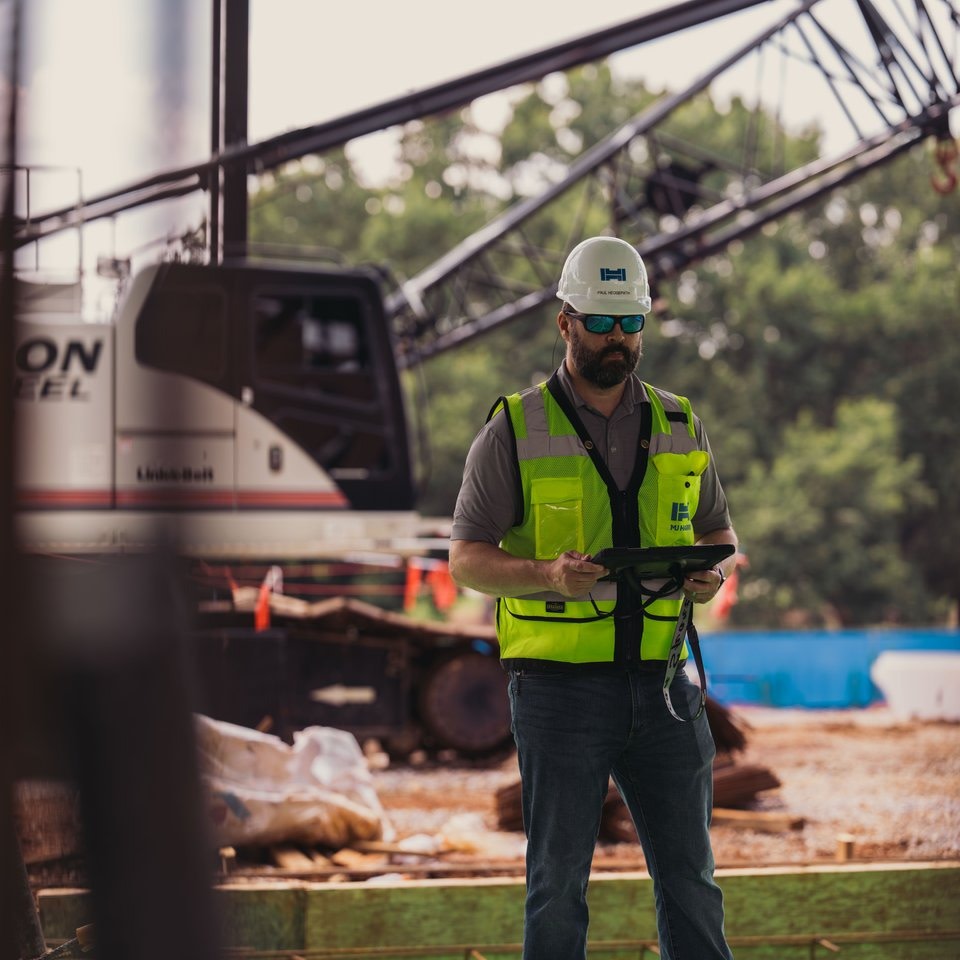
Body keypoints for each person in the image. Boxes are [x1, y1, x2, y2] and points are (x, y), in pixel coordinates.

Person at [448, 235, 738, 960]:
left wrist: (713, 573)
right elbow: (466, 559)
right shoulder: (513, 427)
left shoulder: (680, 421)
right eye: (601, 322)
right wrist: (546, 575)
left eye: (629, 323)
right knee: (556, 887)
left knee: (692, 884)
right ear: (564, 321)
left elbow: (719, 531)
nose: (617, 339)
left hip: (666, 687)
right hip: (559, 695)